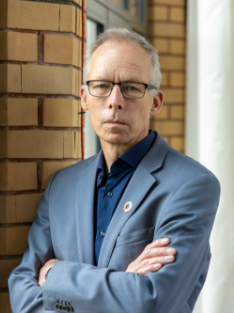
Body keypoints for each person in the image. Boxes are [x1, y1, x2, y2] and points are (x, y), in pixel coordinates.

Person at [8, 28, 220, 313]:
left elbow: (151, 301)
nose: (115, 100)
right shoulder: (61, 184)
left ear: (155, 102)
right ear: (84, 97)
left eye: (132, 87)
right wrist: (122, 286)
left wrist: (55, 275)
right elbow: (21, 286)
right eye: (102, 85)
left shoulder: (192, 185)